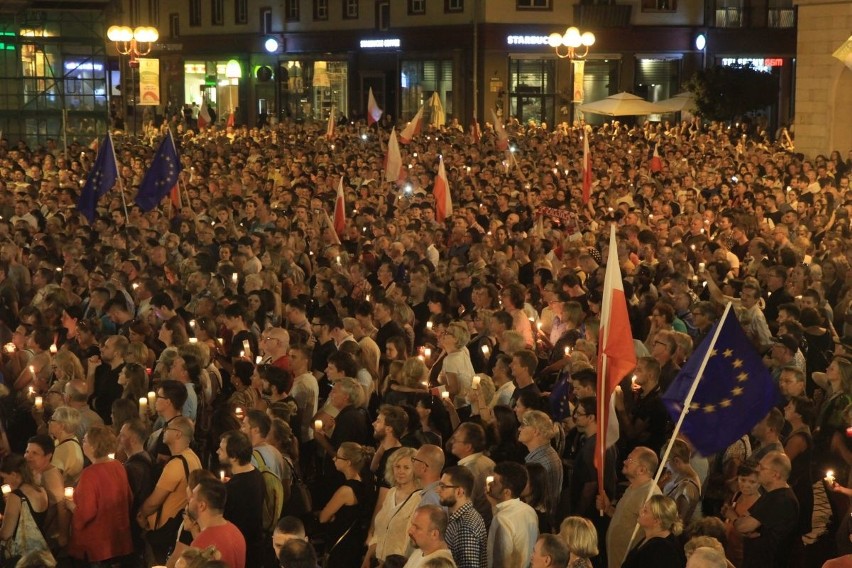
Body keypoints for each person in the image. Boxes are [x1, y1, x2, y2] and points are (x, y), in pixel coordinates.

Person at [138, 416, 202, 565]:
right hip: (179, 526)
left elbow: (154, 501)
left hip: (166, 531)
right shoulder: (192, 457)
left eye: (168, 428)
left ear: (178, 434)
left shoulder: (175, 465)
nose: (164, 431)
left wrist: (141, 514)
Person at [67, 425, 134, 564]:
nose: (82, 443)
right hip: (117, 537)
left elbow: (86, 513)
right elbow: (129, 498)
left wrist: (70, 505)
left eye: (85, 441)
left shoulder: (90, 474)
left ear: (93, 447)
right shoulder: (118, 465)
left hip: (97, 544)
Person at [597, 446, 662, 568]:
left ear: (642, 470)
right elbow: (627, 518)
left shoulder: (650, 496)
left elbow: (655, 532)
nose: (624, 462)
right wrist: (608, 509)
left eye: (630, 460)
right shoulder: (633, 487)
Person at [733, 451, 799, 568]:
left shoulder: (781, 500)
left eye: (762, 468)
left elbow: (742, 526)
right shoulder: (771, 495)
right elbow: (745, 521)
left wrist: (738, 522)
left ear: (776, 475)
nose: (758, 471)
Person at [317, 441, 377, 568]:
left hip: (341, 546)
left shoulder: (345, 491)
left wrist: (332, 516)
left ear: (348, 462)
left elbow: (323, 517)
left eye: (338, 457)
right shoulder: (362, 484)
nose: (334, 459)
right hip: (354, 543)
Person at [363, 447, 423, 566]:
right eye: (397, 466)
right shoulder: (391, 493)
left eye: (406, 467)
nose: (400, 471)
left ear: (415, 470)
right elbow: (379, 532)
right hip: (378, 562)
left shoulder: (419, 498)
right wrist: (367, 558)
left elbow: (411, 541)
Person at [216, 430, 265, 567]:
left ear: (234, 457)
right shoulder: (256, 474)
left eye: (221, 449)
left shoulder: (232, 488)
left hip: (239, 551)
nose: (217, 451)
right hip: (255, 547)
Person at [486, 461, 538, 568]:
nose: (490, 484)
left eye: (494, 483)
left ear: (507, 492)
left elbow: (500, 561)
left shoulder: (502, 519)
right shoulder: (529, 511)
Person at [0, 454, 52, 562]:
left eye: (4, 477)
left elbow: (6, 534)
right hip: (40, 553)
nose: (4, 482)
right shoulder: (42, 490)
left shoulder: (16, 496)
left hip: (22, 556)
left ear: (14, 475)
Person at [187, 477, 247, 568]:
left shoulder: (200, 545)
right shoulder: (235, 531)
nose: (188, 498)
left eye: (192, 496)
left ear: (202, 506)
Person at [438, 466, 487, 568]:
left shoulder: (465, 525)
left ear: (459, 492)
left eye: (443, 486)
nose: (438, 490)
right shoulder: (459, 519)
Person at [519, 410, 563, 522]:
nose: (519, 429)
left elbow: (533, 497)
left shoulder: (540, 463)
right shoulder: (546, 453)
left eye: (523, 426)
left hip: (537, 519)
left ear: (536, 431)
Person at [448, 422, 495, 527]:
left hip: (472, 526)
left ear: (468, 447)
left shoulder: (469, 471)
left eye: (456, 440)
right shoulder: (488, 461)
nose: (452, 442)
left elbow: (463, 506)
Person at [621, 494, 686, 568]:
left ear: (657, 521)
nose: (640, 511)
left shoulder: (661, 550)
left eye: (645, 511)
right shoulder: (651, 538)